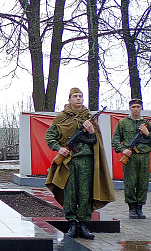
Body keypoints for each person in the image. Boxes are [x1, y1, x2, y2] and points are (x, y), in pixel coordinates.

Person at [46, 88, 114, 240]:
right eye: (75, 96)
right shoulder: (61, 118)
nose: (78, 99)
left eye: (80, 96)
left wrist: (91, 131)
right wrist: (59, 148)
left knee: (85, 194)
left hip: (86, 162)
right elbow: (50, 136)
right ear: (69, 99)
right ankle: (72, 224)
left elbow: (96, 141)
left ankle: (83, 224)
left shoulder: (89, 118)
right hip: (68, 162)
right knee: (69, 194)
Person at [111, 99, 151, 219]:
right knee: (130, 183)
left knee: (143, 183)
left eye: (138, 107)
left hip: (144, 156)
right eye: (134, 107)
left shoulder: (147, 123)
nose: (136, 109)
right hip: (130, 158)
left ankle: (140, 208)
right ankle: (131, 208)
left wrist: (147, 133)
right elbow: (115, 140)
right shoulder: (123, 123)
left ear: (141, 108)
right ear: (130, 108)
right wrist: (123, 150)